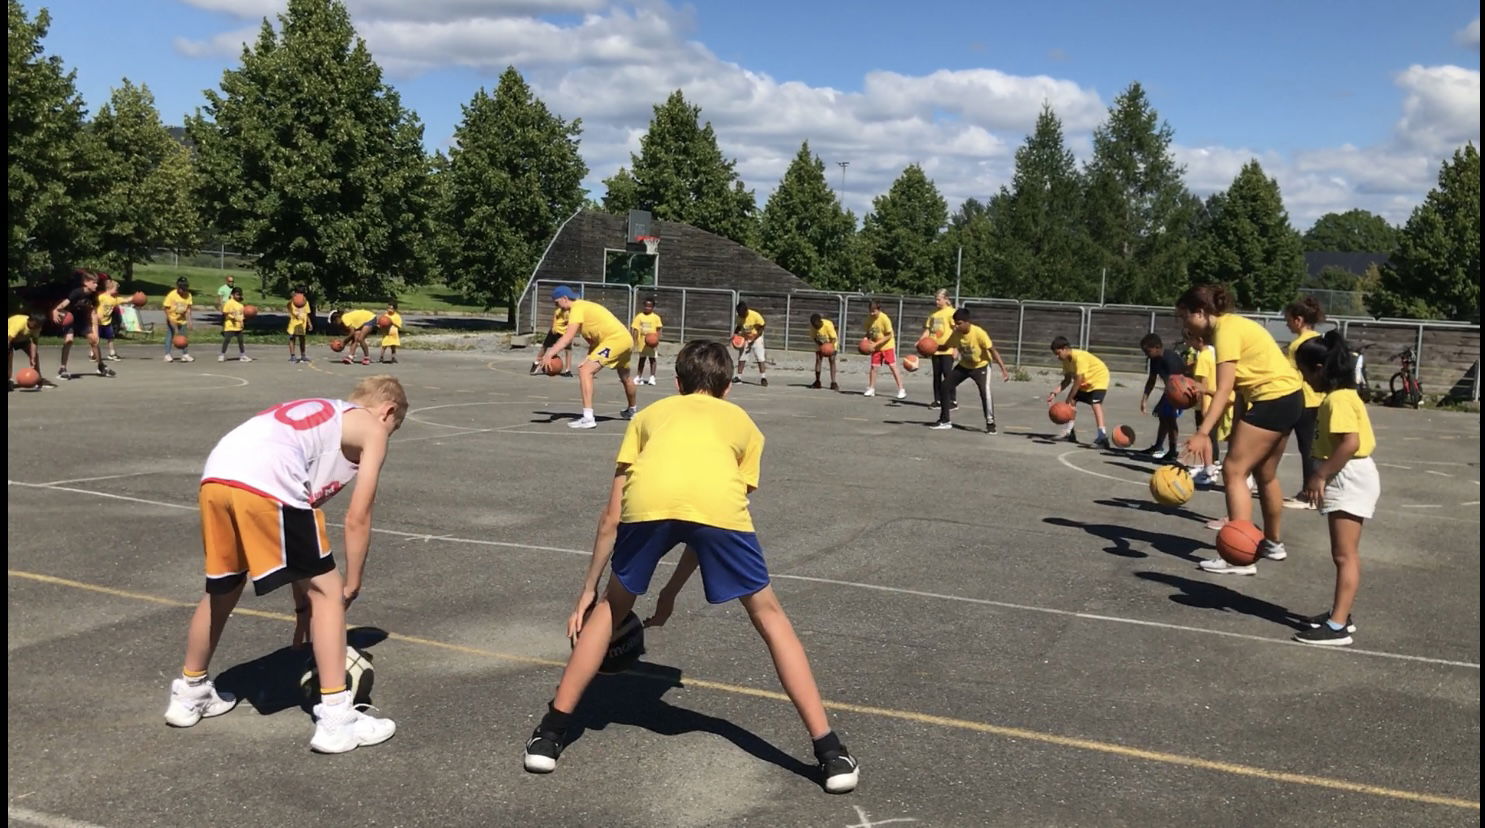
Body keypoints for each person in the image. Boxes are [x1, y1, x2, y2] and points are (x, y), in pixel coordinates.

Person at [520, 341, 859, 793]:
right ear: (727, 388)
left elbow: (612, 517)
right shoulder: (744, 425)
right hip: (717, 511)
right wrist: (672, 590)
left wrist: (589, 589)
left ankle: (551, 733)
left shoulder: (648, 417)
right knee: (770, 617)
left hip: (648, 506)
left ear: (677, 384)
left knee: (610, 609)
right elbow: (709, 519)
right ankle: (830, 752)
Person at [163, 376, 408, 752]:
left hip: (217, 474)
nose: (386, 434)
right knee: (329, 592)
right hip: (266, 477)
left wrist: (301, 612)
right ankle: (337, 719)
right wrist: (352, 583)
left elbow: (301, 541)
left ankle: (189, 693)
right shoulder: (372, 427)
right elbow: (359, 517)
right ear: (387, 411)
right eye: (393, 427)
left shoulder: (321, 417)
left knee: (223, 588)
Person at [1177, 284, 1303, 575]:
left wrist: (1201, 433)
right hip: (1289, 397)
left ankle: (1239, 556)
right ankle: (1273, 543)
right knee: (1265, 474)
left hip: (1272, 399)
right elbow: (1242, 388)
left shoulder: (1225, 331)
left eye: (1185, 317)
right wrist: (1238, 426)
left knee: (1234, 471)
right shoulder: (1236, 325)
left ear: (1201, 312)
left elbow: (1223, 390)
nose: (1184, 323)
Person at [1293, 331, 1378, 646]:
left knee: (1345, 555)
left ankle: (1338, 625)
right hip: (1349, 474)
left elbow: (1349, 443)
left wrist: (1319, 476)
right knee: (1344, 554)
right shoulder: (1341, 395)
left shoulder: (1338, 399)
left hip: (1348, 474)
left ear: (1318, 368)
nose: (1304, 379)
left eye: (1304, 372)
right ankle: (1341, 615)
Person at [533, 286, 637, 429]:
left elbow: (567, 337)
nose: (557, 307)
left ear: (564, 298)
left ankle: (588, 418)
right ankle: (633, 411)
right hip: (625, 340)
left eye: (557, 303)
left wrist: (549, 354)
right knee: (625, 378)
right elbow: (595, 341)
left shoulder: (576, 308)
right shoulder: (585, 308)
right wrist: (589, 357)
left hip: (615, 340)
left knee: (585, 371)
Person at [930, 308, 1009, 433]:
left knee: (985, 392)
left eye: (959, 323)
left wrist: (1003, 369)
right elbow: (946, 346)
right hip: (965, 366)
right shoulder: (956, 333)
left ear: (967, 322)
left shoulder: (979, 333)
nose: (956, 326)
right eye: (955, 323)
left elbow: (993, 350)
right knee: (945, 386)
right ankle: (945, 420)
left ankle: (990, 423)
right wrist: (930, 348)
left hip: (981, 366)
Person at [1282, 298, 1325, 511]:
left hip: (1305, 399)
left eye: (1288, 320)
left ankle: (1309, 494)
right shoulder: (1319, 339)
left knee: (1306, 447)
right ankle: (1312, 490)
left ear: (1298, 320)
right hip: (1320, 399)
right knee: (1313, 447)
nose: (1286, 324)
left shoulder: (1298, 345)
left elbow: (1289, 375)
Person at [1048, 336, 1110, 448]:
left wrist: (1067, 400)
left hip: (1098, 378)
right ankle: (1069, 433)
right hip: (1086, 381)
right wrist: (1054, 393)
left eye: (1058, 353)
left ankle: (1102, 437)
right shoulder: (1066, 361)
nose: (1057, 357)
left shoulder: (1079, 357)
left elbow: (1077, 381)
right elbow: (1067, 380)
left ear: (1065, 348)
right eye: (1055, 355)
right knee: (1072, 400)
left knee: (1095, 403)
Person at [52, 271, 115, 380]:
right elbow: (64, 304)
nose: (96, 285)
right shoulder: (77, 292)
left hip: (81, 320)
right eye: (94, 283)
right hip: (70, 319)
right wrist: (55, 311)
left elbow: (93, 313)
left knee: (94, 341)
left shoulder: (93, 295)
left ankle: (101, 366)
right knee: (69, 341)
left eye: (97, 283)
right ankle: (62, 368)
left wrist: (95, 332)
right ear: (86, 282)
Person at [1138, 333, 1187, 459]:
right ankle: (1158, 446)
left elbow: (1177, 384)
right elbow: (1151, 379)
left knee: (1170, 419)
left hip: (1181, 392)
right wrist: (1144, 399)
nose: (1146, 355)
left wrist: (1163, 402)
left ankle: (1172, 451)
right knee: (1163, 417)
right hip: (1170, 391)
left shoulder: (1171, 360)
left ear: (1157, 347)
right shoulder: (1154, 360)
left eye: (1148, 351)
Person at [862, 300, 905, 400]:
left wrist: (876, 343)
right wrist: (865, 339)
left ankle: (901, 389)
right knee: (874, 367)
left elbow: (889, 335)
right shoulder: (869, 319)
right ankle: (871, 388)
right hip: (876, 346)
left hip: (887, 345)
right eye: (870, 311)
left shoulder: (884, 318)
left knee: (892, 366)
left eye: (874, 311)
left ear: (879, 309)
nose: (872, 313)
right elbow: (868, 332)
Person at [924, 289, 957, 408]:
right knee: (936, 375)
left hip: (947, 349)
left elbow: (956, 331)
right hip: (935, 349)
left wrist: (955, 348)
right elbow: (928, 330)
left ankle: (952, 401)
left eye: (939, 299)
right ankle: (937, 400)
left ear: (946, 299)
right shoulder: (933, 314)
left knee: (948, 375)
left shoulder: (951, 312)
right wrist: (920, 341)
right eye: (936, 299)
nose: (936, 301)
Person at [8, 313, 56, 390]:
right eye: (37, 325)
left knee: (35, 356)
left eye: (40, 325)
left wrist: (33, 357)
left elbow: (34, 342)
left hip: (21, 338)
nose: (38, 327)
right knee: (9, 356)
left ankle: (38, 379)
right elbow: (9, 339)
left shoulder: (37, 327)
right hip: (9, 338)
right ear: (30, 321)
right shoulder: (19, 324)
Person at [732, 301, 768, 387]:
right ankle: (738, 377)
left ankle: (763, 378)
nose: (741, 316)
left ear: (746, 311)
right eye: (739, 314)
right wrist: (735, 335)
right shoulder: (739, 318)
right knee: (742, 356)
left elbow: (762, 327)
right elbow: (739, 326)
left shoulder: (755, 315)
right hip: (746, 337)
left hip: (757, 336)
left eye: (742, 314)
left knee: (760, 357)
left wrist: (754, 338)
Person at [531, 304, 572, 377]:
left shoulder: (570, 313)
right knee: (544, 346)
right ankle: (536, 363)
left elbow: (571, 323)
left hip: (565, 333)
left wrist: (568, 333)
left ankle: (568, 370)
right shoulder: (558, 310)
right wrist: (553, 327)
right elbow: (554, 319)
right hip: (555, 331)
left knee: (568, 350)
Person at [629, 297, 662, 385]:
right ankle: (639, 376)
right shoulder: (639, 316)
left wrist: (657, 340)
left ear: (653, 307)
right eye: (646, 306)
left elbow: (658, 329)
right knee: (642, 359)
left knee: (652, 359)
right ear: (643, 306)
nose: (647, 308)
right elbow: (634, 329)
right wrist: (634, 341)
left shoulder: (656, 317)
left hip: (652, 342)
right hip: (642, 342)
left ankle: (652, 377)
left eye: (649, 306)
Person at [163, 277, 195, 362]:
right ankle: (167, 355)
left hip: (182, 319)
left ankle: (185, 354)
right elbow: (166, 308)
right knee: (170, 336)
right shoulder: (172, 295)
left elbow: (188, 309)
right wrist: (170, 320)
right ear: (177, 287)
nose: (183, 291)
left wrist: (189, 321)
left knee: (183, 337)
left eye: (185, 289)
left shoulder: (188, 295)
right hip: (172, 318)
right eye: (181, 289)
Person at [218, 287, 252, 362]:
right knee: (227, 340)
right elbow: (225, 313)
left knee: (240, 341)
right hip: (230, 325)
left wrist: (242, 322)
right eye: (237, 294)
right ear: (232, 294)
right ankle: (222, 355)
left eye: (239, 295)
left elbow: (242, 315)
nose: (238, 296)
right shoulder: (229, 302)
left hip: (238, 326)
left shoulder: (240, 305)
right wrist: (233, 318)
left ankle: (242, 355)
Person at [95, 278, 126, 361]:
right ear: (110, 289)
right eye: (116, 289)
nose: (117, 291)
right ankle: (93, 353)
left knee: (110, 338)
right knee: (95, 339)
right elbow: (94, 304)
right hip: (98, 322)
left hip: (107, 322)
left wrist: (134, 298)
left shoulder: (114, 299)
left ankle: (112, 353)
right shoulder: (101, 297)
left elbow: (125, 300)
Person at [808, 313, 839, 390]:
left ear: (820, 321)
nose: (816, 327)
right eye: (814, 326)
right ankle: (817, 381)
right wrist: (821, 346)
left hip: (831, 343)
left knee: (832, 360)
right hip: (820, 343)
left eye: (817, 325)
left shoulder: (828, 325)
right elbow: (814, 337)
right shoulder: (813, 327)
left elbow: (834, 338)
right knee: (818, 359)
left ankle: (833, 382)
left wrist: (829, 347)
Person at [287, 288, 313, 363]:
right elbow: (288, 306)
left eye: (301, 293)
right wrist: (292, 298)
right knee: (292, 339)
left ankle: (303, 355)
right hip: (293, 324)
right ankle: (292, 355)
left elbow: (307, 314)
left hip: (302, 324)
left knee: (302, 339)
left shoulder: (305, 302)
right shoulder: (292, 302)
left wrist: (310, 323)